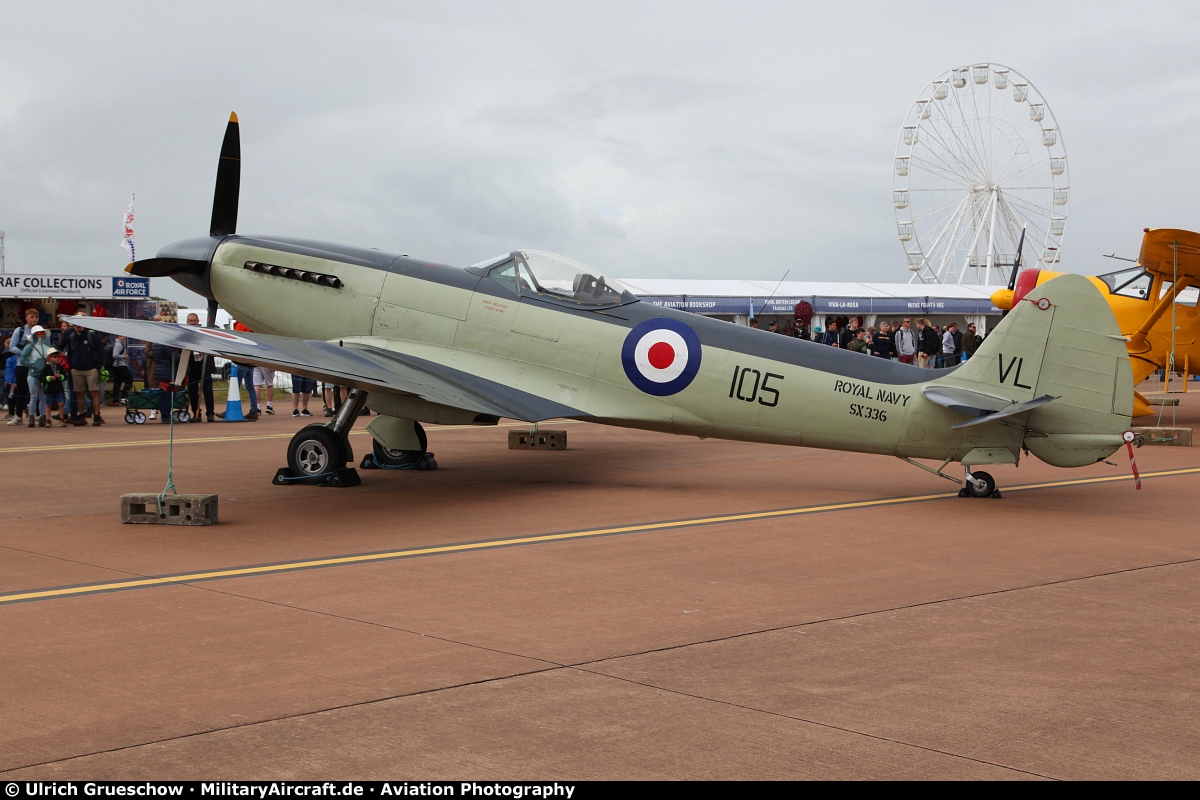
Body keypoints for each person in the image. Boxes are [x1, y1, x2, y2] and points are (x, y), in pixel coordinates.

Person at [62, 323, 106, 426]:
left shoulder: (91, 335)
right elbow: (69, 351)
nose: (78, 326)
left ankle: (96, 416)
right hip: (76, 369)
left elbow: (100, 351)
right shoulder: (72, 337)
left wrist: (97, 366)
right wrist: (71, 366)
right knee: (79, 393)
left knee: (93, 391)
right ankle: (81, 416)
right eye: (75, 324)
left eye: (80, 324)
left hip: (91, 368)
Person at [6, 308, 39, 425]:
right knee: (20, 391)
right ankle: (18, 416)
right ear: (26, 318)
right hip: (22, 364)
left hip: (36, 365)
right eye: (32, 317)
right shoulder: (19, 331)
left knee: (36, 391)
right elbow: (12, 347)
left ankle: (39, 415)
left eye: (36, 317)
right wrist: (24, 353)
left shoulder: (40, 331)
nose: (34, 319)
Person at [183, 314, 216, 422]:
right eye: (190, 321)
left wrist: (203, 352)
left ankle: (210, 413)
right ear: (187, 322)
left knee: (208, 391)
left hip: (205, 367)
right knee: (192, 392)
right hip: (192, 367)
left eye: (194, 321)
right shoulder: (185, 334)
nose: (192, 323)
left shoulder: (204, 333)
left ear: (198, 321)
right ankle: (196, 413)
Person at [19, 325, 52, 427]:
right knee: (33, 397)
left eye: (42, 332)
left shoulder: (48, 347)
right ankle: (31, 417)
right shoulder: (30, 346)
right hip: (33, 374)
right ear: (34, 334)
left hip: (44, 375)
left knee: (43, 397)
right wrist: (32, 366)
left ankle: (42, 416)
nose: (41, 334)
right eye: (38, 333)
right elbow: (23, 359)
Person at [150, 340, 181, 423]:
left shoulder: (155, 344)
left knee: (163, 394)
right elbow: (174, 358)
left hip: (160, 371)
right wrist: (182, 355)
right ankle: (166, 415)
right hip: (168, 371)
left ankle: (164, 415)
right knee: (170, 394)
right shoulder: (167, 344)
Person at [39, 348, 69, 427]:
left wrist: (60, 376)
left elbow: (65, 377)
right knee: (49, 404)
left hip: (59, 388)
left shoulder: (60, 367)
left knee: (61, 403)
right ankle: (48, 420)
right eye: (54, 357)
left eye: (58, 356)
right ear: (49, 358)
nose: (57, 358)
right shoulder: (46, 367)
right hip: (49, 388)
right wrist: (49, 378)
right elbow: (41, 377)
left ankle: (61, 419)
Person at [110, 335, 133, 405]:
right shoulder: (119, 345)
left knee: (117, 382)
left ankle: (115, 400)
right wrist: (124, 356)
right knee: (129, 379)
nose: (123, 338)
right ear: (117, 337)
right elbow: (115, 355)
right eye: (121, 336)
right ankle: (124, 397)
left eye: (124, 336)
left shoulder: (118, 344)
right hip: (120, 365)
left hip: (116, 366)